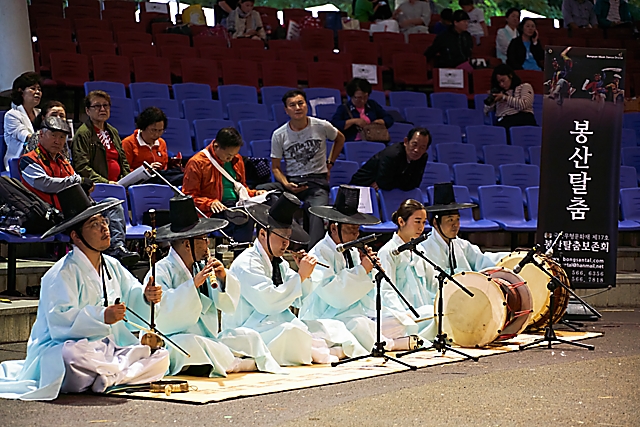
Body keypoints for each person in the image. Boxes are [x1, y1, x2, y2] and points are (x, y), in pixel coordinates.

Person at [0, 184, 169, 400]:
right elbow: (60, 322)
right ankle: (117, 375)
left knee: (162, 355)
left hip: (108, 348)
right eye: (94, 224)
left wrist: (146, 297)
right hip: (69, 347)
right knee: (71, 356)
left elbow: (133, 296)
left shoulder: (112, 265)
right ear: (76, 236)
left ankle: (109, 377)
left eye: (104, 221)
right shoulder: (60, 273)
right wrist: (102, 317)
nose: (104, 228)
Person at [133, 195, 282, 377]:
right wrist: (192, 286)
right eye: (203, 239)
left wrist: (223, 279)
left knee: (249, 336)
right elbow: (162, 317)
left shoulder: (200, 266)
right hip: (174, 339)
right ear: (187, 244)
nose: (207, 244)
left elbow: (226, 305)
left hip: (209, 336)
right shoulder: (161, 271)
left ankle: (229, 361)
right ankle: (237, 364)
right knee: (191, 344)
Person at [225, 193, 349, 365]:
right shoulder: (247, 263)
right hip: (248, 326)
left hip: (271, 323)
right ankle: (248, 363)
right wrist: (301, 276)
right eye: (281, 237)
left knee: (334, 327)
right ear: (262, 234)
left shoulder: (279, 262)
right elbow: (267, 302)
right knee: (292, 332)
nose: (286, 243)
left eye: (288, 237)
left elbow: (299, 299)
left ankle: (314, 350)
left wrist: (303, 275)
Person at [303, 185, 422, 352]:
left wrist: (372, 271)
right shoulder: (319, 253)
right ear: (333, 228)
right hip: (327, 315)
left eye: (357, 230)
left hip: (356, 312)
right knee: (360, 324)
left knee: (398, 320)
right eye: (351, 230)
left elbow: (367, 294)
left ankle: (379, 341)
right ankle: (391, 345)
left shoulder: (351, 250)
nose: (356, 235)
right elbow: (335, 296)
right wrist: (362, 270)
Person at [20, 117, 140, 266]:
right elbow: (45, 183)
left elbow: (74, 179)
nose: (58, 140)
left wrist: (83, 186)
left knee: (113, 203)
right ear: (41, 135)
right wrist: (78, 182)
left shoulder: (62, 160)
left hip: (75, 211)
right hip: (51, 215)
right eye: (53, 135)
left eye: (62, 137)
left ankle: (116, 248)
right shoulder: (29, 160)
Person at [261, 89, 345, 248]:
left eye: (300, 103)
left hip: (317, 182)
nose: (297, 108)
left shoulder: (321, 125)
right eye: (292, 105)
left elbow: (340, 138)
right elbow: (276, 168)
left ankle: (314, 253)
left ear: (306, 105)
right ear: (286, 110)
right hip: (293, 183)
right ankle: (288, 243)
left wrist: (330, 162)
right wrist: (286, 184)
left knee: (317, 212)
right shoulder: (279, 135)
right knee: (263, 191)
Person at [182, 127, 266, 246]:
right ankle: (241, 260)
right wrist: (210, 203)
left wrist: (255, 193)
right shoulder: (197, 163)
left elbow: (241, 188)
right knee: (244, 219)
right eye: (228, 155)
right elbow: (188, 197)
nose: (230, 159)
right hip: (214, 211)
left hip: (237, 204)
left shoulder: (237, 160)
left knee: (270, 206)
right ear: (216, 146)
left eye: (233, 155)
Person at [377, 199, 437, 342]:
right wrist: (403, 315)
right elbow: (386, 291)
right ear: (401, 221)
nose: (421, 227)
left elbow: (433, 283)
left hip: (423, 313)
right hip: (401, 316)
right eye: (417, 221)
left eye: (423, 222)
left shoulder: (420, 250)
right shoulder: (387, 252)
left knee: (442, 312)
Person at [421, 183, 508, 275]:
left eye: (457, 219)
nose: (455, 224)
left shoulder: (462, 245)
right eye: (450, 220)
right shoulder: (424, 248)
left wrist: (512, 255)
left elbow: (483, 260)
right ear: (435, 222)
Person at [72, 90, 131, 184]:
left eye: (105, 105)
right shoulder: (83, 133)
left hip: (119, 184)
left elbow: (123, 161)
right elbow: (82, 166)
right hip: (98, 186)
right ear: (87, 111)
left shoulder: (113, 131)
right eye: (97, 106)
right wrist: (106, 182)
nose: (102, 109)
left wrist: (127, 180)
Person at [349, 127, 431, 191]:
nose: (417, 150)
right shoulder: (392, 154)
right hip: (363, 185)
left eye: (422, 147)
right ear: (406, 142)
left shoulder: (423, 157)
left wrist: (394, 182)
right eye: (414, 144)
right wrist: (404, 181)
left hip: (386, 189)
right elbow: (384, 183)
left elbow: (415, 183)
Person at [330, 78, 394, 142]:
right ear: (352, 96)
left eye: (365, 97)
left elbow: (389, 118)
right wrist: (353, 121)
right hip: (353, 142)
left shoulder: (372, 105)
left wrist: (382, 121)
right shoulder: (344, 108)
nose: (363, 100)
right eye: (359, 98)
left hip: (374, 140)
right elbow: (335, 125)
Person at [4, 72, 42, 170]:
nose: (37, 92)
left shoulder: (40, 113)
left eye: (39, 89)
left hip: (41, 160)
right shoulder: (12, 115)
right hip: (19, 162)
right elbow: (26, 137)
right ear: (21, 91)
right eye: (33, 88)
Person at [483, 64, 537, 130]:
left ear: (510, 75)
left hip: (523, 119)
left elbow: (524, 104)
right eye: (499, 82)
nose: (502, 84)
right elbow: (486, 111)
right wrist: (492, 98)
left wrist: (505, 98)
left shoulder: (524, 86)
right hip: (504, 122)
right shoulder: (500, 93)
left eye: (503, 80)